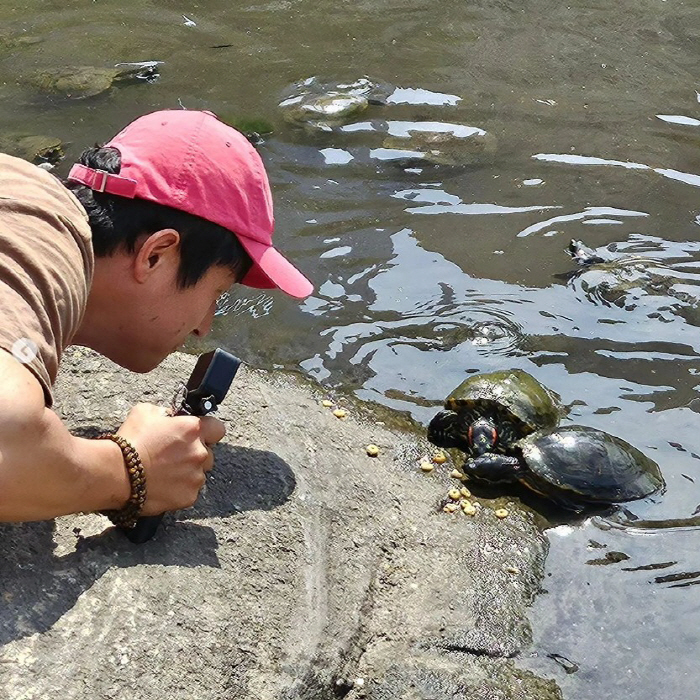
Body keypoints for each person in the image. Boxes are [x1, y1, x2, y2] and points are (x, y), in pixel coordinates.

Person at [0, 109, 313, 525]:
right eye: (216, 293)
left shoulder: (19, 190)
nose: (205, 325)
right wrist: (130, 469)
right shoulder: (39, 238)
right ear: (156, 255)